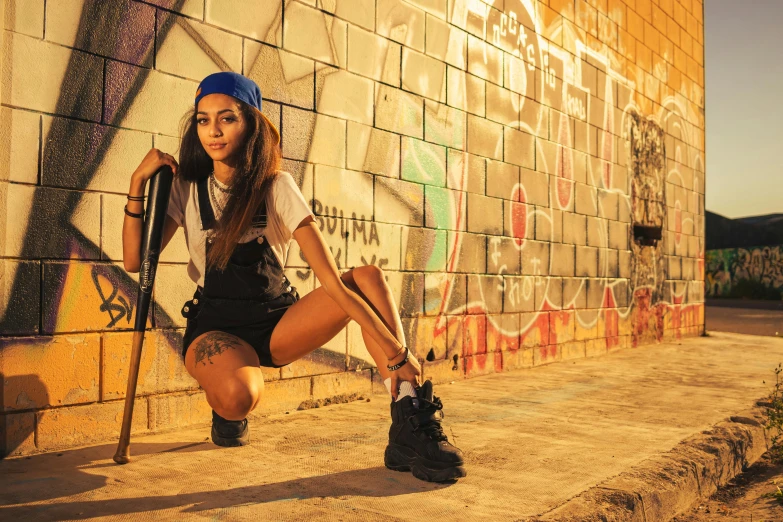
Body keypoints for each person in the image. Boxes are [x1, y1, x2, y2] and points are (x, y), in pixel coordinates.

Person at [122, 72, 465, 482]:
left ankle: (408, 417)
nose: (212, 130)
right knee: (237, 396)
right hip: (216, 326)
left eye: (226, 118)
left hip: (276, 321)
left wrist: (395, 352)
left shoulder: (276, 186)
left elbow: (334, 285)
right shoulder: (186, 186)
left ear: (250, 123)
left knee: (367, 278)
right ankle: (226, 407)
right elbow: (134, 261)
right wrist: (136, 183)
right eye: (203, 119)